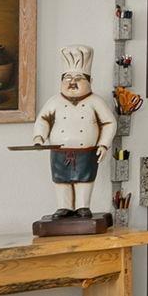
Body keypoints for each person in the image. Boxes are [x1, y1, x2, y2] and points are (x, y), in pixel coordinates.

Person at [32, 45, 115, 219]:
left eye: (78, 78)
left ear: (89, 81)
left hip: (86, 150)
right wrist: (39, 137)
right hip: (59, 150)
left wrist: (103, 145)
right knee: (61, 180)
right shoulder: (54, 101)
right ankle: (64, 207)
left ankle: (83, 206)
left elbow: (109, 123)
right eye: (67, 78)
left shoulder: (95, 102)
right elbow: (43, 120)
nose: (72, 82)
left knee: (84, 179)